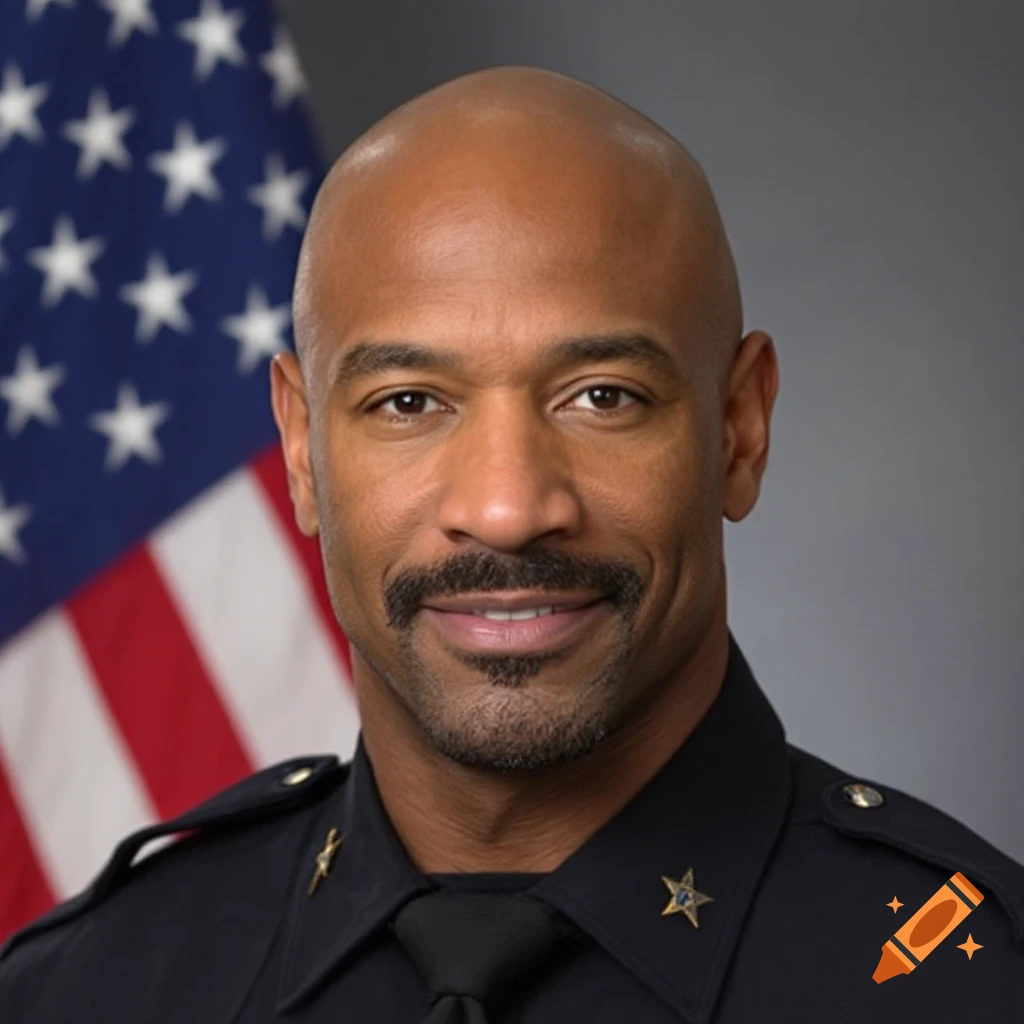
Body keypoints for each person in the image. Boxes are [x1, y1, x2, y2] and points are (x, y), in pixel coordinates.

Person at [2, 65, 1022, 1024]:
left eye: (601, 397)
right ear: (303, 452)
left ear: (738, 431)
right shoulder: (86, 988)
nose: (506, 507)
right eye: (408, 401)